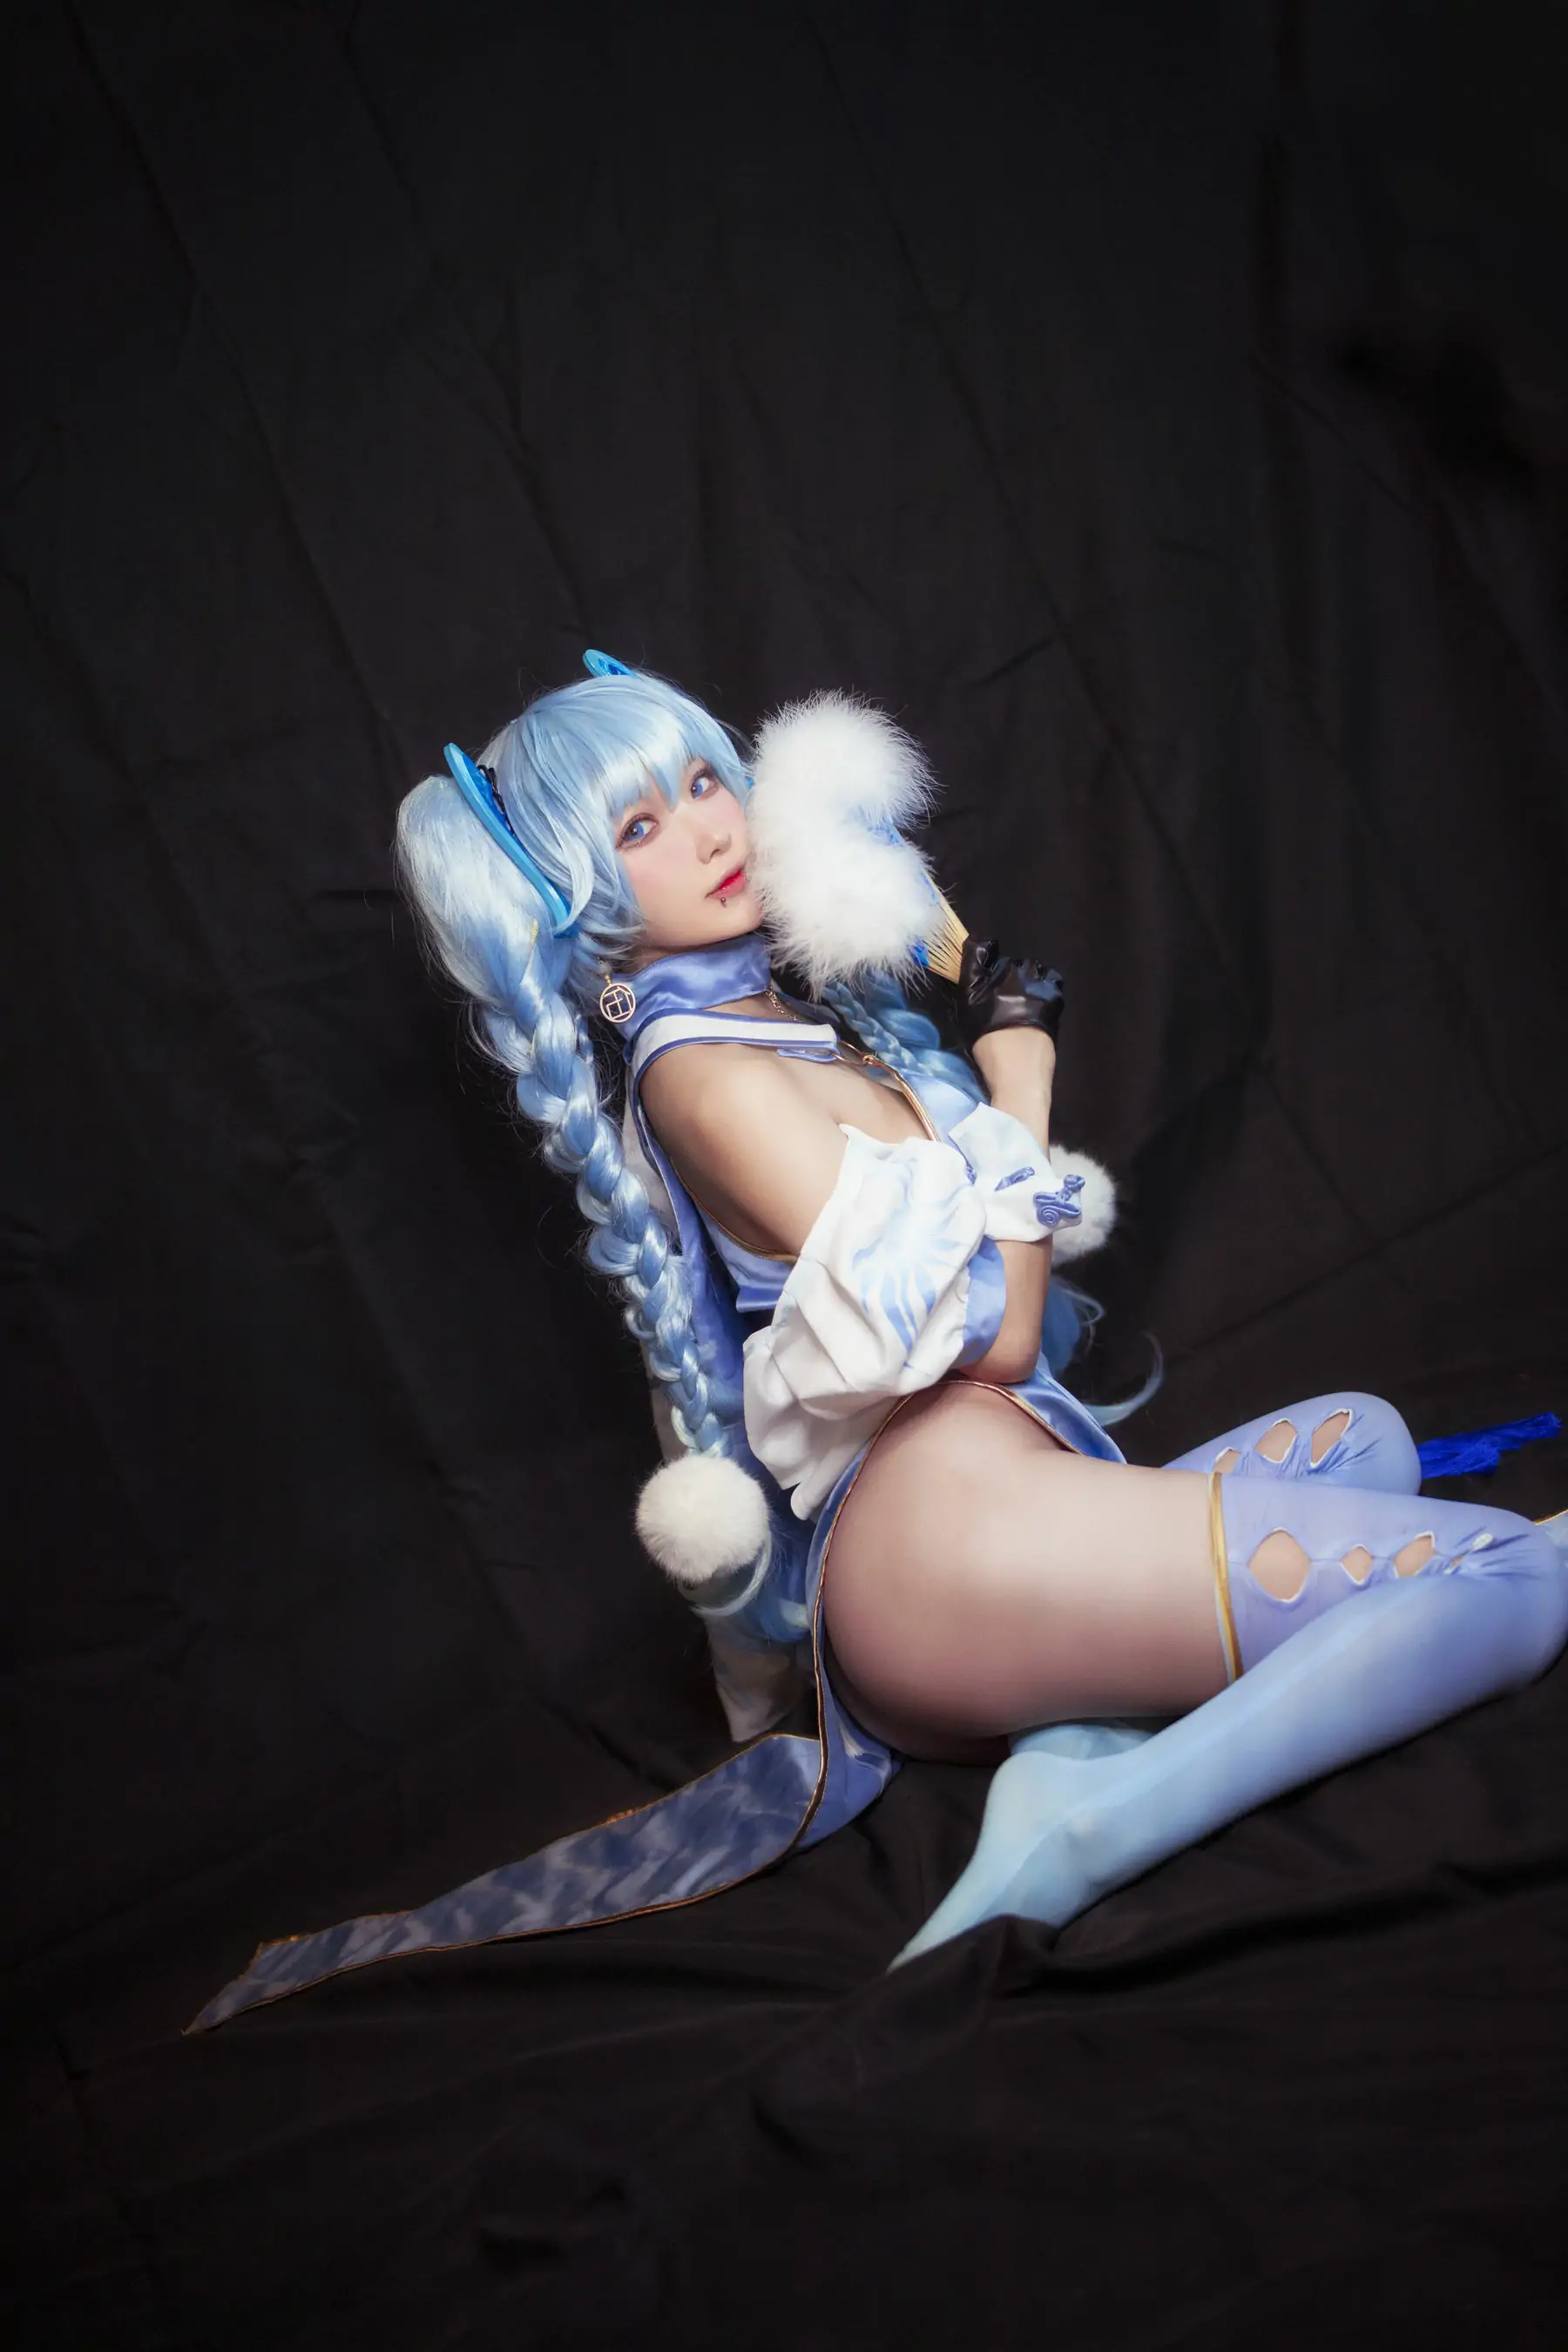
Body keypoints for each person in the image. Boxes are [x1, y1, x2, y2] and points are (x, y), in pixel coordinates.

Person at [189, 658, 1567, 2031]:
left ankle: (1078, 1735)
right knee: (1509, 1575)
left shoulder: (789, 1024)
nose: (710, 829)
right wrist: (1020, 1073)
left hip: (1003, 1506)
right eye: (640, 825)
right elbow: (1003, 1339)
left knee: (1370, 1437)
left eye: (705, 780)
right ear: (575, 895)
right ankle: (1100, 1824)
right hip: (934, 1565)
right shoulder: (706, 1081)